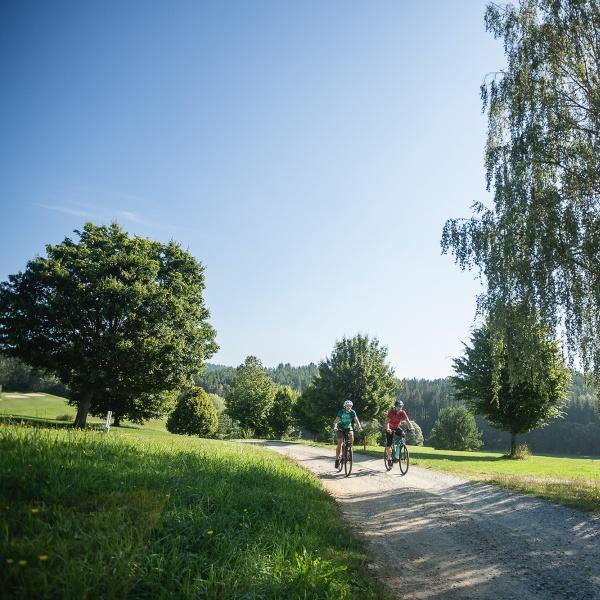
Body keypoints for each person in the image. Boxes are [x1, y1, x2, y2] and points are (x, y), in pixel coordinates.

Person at [333, 399, 362, 469]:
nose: (349, 407)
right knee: (340, 442)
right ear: (345, 406)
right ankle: (337, 459)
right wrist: (335, 427)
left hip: (348, 427)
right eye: (347, 406)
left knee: (351, 437)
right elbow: (336, 421)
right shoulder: (341, 412)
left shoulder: (352, 412)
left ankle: (347, 452)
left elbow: (356, 420)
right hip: (340, 428)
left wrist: (359, 427)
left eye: (350, 406)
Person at [385, 399, 414, 468]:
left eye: (401, 406)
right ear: (395, 406)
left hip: (396, 427)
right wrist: (388, 429)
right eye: (399, 406)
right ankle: (389, 458)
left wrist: (412, 427)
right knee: (389, 443)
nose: (400, 408)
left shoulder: (402, 412)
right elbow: (387, 422)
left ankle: (397, 454)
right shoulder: (391, 412)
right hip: (389, 428)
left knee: (403, 435)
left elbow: (407, 420)